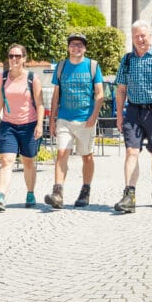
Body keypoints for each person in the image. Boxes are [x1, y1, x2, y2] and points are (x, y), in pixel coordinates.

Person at [113, 20, 152, 213]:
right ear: (132, 38)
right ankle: (129, 195)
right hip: (133, 111)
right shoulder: (126, 60)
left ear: (150, 36)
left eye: (143, 35)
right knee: (131, 152)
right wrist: (119, 115)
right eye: (136, 36)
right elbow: (121, 90)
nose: (140, 39)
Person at [44, 32, 104, 209]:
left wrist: (93, 116)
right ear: (69, 47)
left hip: (86, 119)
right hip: (64, 118)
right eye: (73, 44)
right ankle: (58, 193)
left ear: (84, 48)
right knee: (62, 153)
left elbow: (99, 94)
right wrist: (53, 119)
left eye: (79, 45)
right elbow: (56, 95)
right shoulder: (61, 66)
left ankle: (85, 191)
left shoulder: (92, 66)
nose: (76, 47)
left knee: (87, 156)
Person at [0, 43, 44, 211]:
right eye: (11, 56)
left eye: (18, 56)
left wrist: (40, 125)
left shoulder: (33, 78)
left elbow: (40, 104)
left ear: (24, 59)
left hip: (29, 125)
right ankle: (1, 196)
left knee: (28, 162)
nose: (14, 59)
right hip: (8, 125)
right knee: (6, 160)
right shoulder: (2, 78)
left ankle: (30, 193)